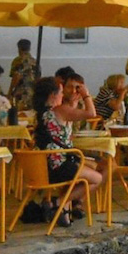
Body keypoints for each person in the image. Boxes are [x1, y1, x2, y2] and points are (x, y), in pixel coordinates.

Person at [32, 76, 102, 225]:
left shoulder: (41, 114)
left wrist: (74, 102)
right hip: (61, 165)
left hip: (45, 167)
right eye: (61, 92)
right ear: (53, 95)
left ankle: (63, 207)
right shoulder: (60, 110)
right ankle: (59, 202)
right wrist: (86, 95)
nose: (63, 95)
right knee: (98, 178)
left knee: (94, 167)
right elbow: (91, 114)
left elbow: (64, 125)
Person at [9, 38, 41, 113]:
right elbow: (38, 79)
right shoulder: (35, 62)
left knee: (19, 115)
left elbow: (15, 78)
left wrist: (9, 92)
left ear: (18, 48)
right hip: (32, 93)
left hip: (20, 94)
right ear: (29, 48)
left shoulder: (17, 61)